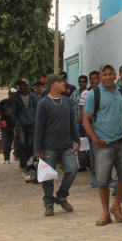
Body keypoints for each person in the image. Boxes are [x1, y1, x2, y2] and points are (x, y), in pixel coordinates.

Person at [82, 63, 122, 226]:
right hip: (102, 143)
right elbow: (86, 120)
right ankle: (106, 213)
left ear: (115, 76)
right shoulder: (93, 95)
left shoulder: (121, 93)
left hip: (121, 141)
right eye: (104, 75)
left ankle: (116, 204)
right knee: (103, 180)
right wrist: (95, 140)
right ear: (99, 77)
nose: (108, 77)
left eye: (110, 74)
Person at [34, 73, 80, 216]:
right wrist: (37, 148)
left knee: (73, 169)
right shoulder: (43, 104)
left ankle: (61, 196)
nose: (64, 84)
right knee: (48, 176)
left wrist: (76, 140)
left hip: (66, 145)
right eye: (60, 82)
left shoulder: (67, 102)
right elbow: (39, 127)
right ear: (53, 85)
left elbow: (72, 123)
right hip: (49, 147)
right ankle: (48, 203)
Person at [12, 78, 38, 171]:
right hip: (21, 123)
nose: (21, 86)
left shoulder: (33, 96)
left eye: (22, 84)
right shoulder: (16, 97)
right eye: (19, 85)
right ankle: (22, 163)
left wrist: (36, 121)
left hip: (32, 123)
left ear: (27, 86)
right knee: (22, 143)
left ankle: (25, 159)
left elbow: (37, 109)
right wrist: (16, 123)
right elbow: (14, 111)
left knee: (30, 144)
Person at [72, 74, 89, 171]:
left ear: (87, 83)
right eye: (80, 81)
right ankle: (82, 164)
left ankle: (89, 164)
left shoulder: (89, 93)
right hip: (78, 124)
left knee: (89, 145)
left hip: (87, 122)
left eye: (83, 81)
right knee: (80, 143)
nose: (81, 83)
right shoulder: (74, 94)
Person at [0, 88, 17, 164]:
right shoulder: (3, 102)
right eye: (12, 94)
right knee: (5, 142)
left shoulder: (15, 103)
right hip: (4, 125)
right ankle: (6, 158)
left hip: (12, 125)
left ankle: (8, 156)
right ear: (9, 94)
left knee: (10, 142)